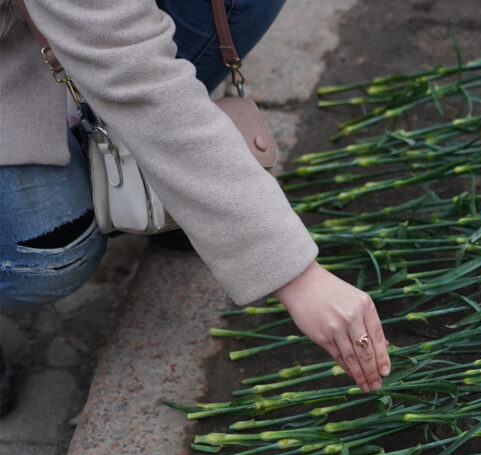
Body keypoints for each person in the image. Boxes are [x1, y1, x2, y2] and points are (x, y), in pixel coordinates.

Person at [0, 0, 390, 415]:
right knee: (48, 248)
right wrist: (299, 277)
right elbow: (140, 78)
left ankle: (148, 165)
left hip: (85, 25)